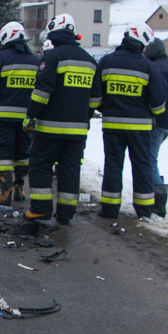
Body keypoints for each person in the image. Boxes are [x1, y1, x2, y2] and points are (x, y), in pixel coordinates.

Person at [25, 14, 101, 224]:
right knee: (70, 169)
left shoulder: (53, 56)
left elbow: (42, 92)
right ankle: (65, 213)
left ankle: (41, 209)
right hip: (78, 131)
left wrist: (31, 115)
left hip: (50, 128)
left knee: (40, 165)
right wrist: (83, 117)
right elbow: (95, 99)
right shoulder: (89, 59)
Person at [96, 23, 168, 220]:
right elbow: (159, 101)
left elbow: (96, 95)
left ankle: (110, 209)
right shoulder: (149, 67)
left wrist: (105, 108)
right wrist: (153, 113)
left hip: (112, 125)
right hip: (140, 128)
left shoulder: (106, 62)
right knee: (142, 167)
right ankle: (144, 211)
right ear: (142, 43)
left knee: (113, 165)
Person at [0, 21, 40, 203]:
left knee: (4, 153)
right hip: (27, 119)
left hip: (4, 117)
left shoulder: (1, 59)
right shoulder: (36, 61)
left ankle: (5, 192)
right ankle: (19, 189)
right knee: (22, 153)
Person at [144, 37, 168, 218]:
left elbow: (155, 95)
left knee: (149, 160)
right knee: (152, 158)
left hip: (158, 120)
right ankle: (155, 198)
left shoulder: (156, 68)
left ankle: (157, 204)